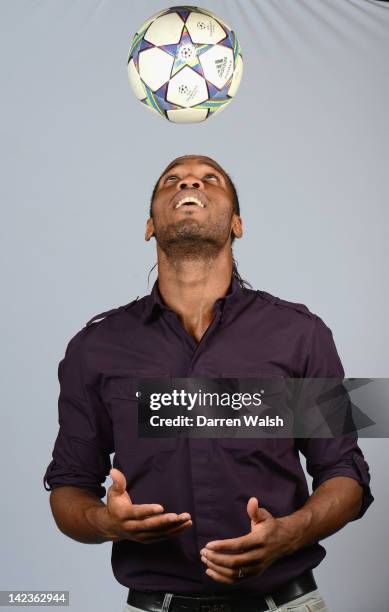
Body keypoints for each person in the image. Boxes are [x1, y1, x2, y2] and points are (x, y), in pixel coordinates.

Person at [43, 155, 373, 612]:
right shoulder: (94, 347)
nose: (190, 182)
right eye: (171, 180)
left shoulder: (302, 334)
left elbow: (346, 473)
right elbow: (68, 487)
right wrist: (106, 521)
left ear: (237, 223)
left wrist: (290, 532)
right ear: (149, 226)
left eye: (209, 179)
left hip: (285, 601)